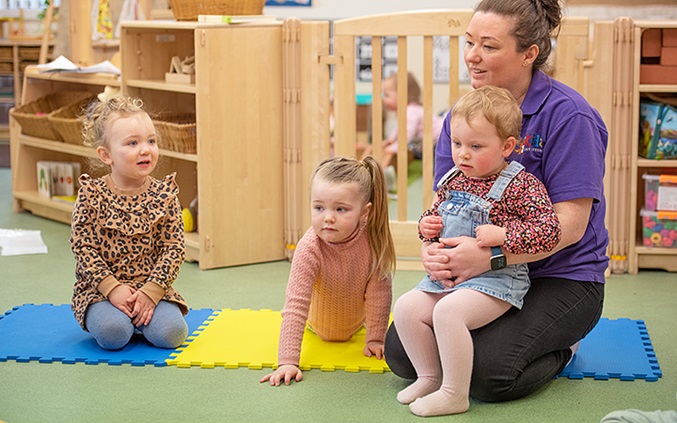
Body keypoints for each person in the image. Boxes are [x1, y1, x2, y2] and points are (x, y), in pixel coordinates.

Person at [385, 0, 609, 403]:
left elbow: (571, 227)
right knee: (404, 354)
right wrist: (432, 250)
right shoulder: (463, 117)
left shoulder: (570, 116)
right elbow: (445, 202)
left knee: (490, 374)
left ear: (529, 54)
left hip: (561, 276)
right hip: (481, 275)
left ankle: (563, 346)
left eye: (488, 46)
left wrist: (492, 257)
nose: (472, 55)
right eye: (469, 42)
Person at [394, 86, 561, 417]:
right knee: (407, 308)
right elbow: (436, 216)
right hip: (450, 279)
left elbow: (549, 231)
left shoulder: (521, 185)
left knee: (449, 314)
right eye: (457, 144)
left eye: (475, 146)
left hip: (497, 282)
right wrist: (426, 229)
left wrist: (505, 235)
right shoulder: (454, 178)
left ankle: (455, 394)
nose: (463, 154)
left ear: (507, 147)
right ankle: (430, 377)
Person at [260, 156, 396, 386]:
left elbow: (379, 297)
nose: (328, 218)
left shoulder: (373, 243)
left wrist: (375, 338)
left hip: (356, 327)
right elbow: (296, 305)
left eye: (341, 209)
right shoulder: (309, 247)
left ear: (365, 211)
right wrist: (287, 360)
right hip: (315, 326)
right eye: (319, 207)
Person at [70, 95, 189, 350]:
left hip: (151, 287)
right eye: (132, 143)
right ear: (106, 155)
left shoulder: (164, 195)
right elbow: (83, 248)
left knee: (172, 334)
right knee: (114, 334)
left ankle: (141, 316)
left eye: (151, 141)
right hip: (100, 291)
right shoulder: (92, 195)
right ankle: (122, 319)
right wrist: (112, 289)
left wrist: (152, 291)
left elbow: (174, 248)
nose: (145, 149)